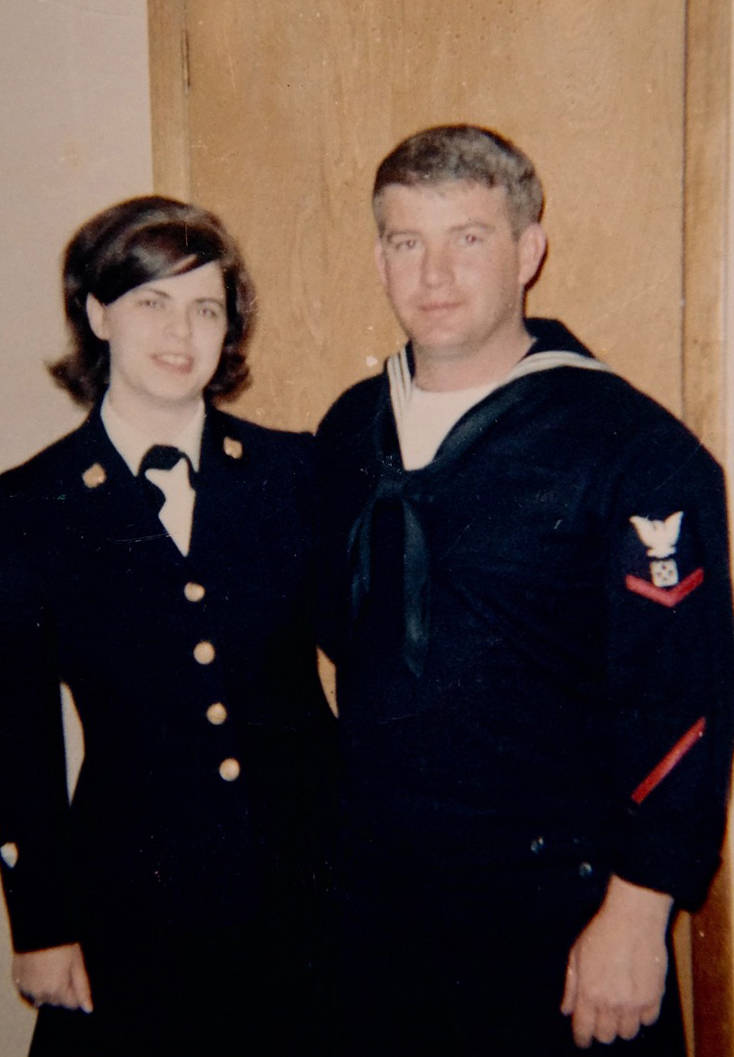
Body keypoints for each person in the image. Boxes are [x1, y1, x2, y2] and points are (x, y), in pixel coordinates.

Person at [316, 124, 734, 1055]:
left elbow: (683, 697)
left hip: (560, 914)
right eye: (405, 241)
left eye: (468, 238)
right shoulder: (348, 430)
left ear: (528, 250)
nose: (434, 275)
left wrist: (637, 911)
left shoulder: (631, 448)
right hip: (377, 908)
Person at [0, 195, 336, 1056]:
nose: (179, 331)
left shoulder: (293, 472)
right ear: (97, 313)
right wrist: (39, 921)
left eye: (206, 307)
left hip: (305, 902)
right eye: (151, 300)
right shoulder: (27, 508)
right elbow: (14, 734)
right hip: (131, 914)